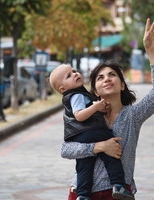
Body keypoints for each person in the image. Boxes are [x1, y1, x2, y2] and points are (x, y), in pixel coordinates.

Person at [61, 18, 154, 199]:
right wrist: (98, 147)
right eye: (100, 77)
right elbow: (66, 150)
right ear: (95, 91)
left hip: (118, 194)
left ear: (121, 85)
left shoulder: (133, 115)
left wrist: (151, 51)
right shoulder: (83, 114)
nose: (107, 79)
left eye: (112, 75)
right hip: (81, 194)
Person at [49, 64, 135, 200]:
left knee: (83, 166)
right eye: (69, 76)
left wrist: (98, 109)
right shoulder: (76, 95)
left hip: (79, 136)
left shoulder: (77, 95)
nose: (75, 74)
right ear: (62, 89)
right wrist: (96, 108)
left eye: (74, 71)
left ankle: (83, 195)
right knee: (112, 154)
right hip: (93, 132)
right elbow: (79, 115)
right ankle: (118, 184)